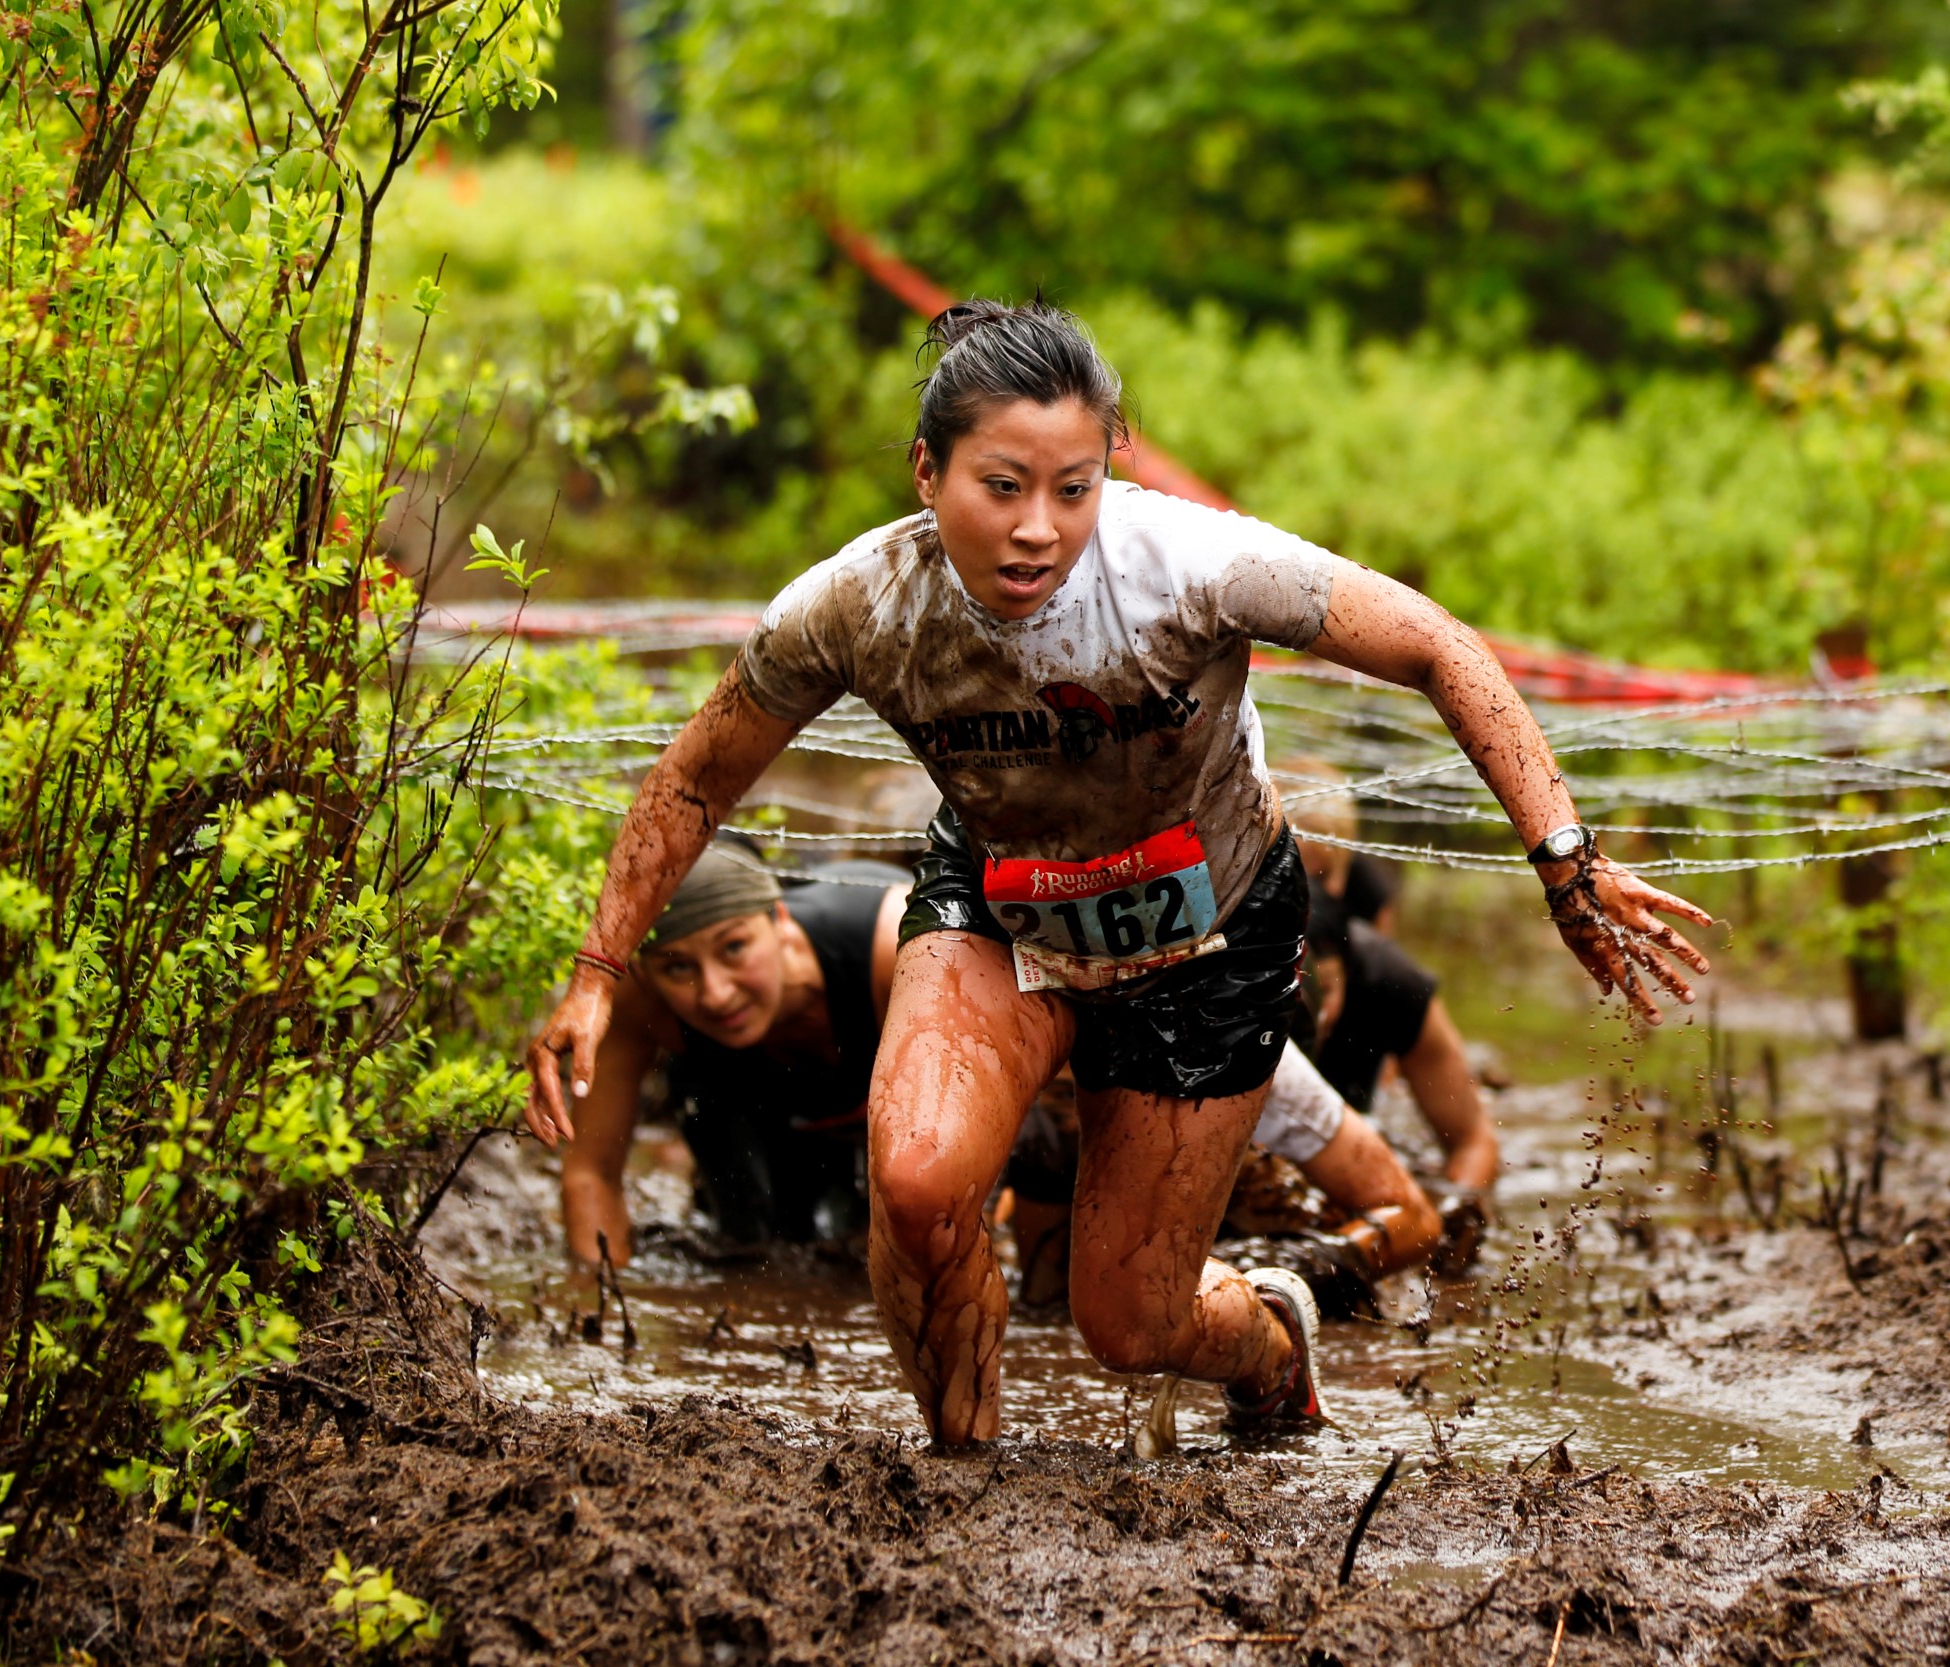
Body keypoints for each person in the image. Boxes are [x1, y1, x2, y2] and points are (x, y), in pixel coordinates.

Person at [524, 299, 1711, 1448]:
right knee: (922, 1180)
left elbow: (1438, 645)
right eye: (1002, 487)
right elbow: (693, 777)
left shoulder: (1190, 564)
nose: (1038, 527)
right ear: (925, 473)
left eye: (1072, 488)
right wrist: (593, 972)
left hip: (1209, 935)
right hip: (999, 898)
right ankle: (961, 1470)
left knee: (1129, 1322)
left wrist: (1566, 858)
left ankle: (1270, 1341)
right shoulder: (855, 603)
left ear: (1110, 473)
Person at [549, 841, 905, 1266]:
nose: (716, 995)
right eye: (678, 967)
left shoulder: (898, 951)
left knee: (896, 1224)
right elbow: (592, 1174)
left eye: (734, 948)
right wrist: (600, 1311)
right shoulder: (635, 1000)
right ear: (645, 973)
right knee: (754, 1249)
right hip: (740, 1090)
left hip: (896, 1077)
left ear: (781, 923)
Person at [1004, 1043, 1444, 1309]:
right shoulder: (1046, 1125)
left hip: (1275, 1219)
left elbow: (1417, 1222)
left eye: (1082, 1091)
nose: (1075, 1116)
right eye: (1060, 1096)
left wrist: (1291, 1269)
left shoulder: (1256, 1056)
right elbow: (1044, 1301)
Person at [1284, 777, 1500, 1194]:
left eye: (1320, 992)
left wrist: (1451, 1212)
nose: (1308, 1016)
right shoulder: (1210, 979)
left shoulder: (1389, 982)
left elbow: (1473, 1142)